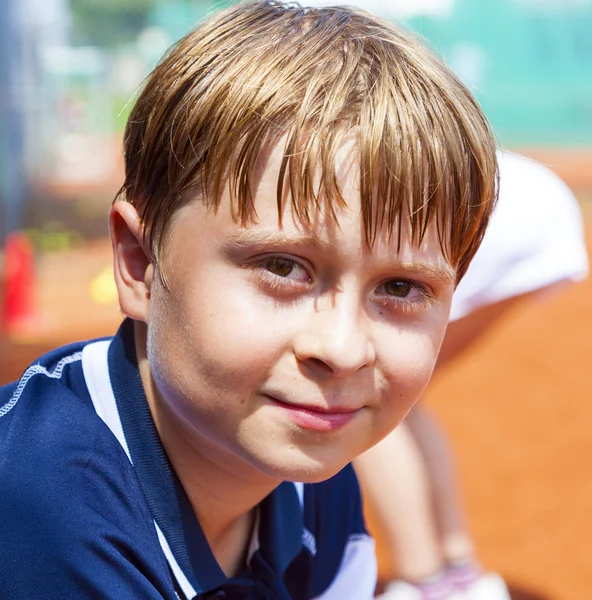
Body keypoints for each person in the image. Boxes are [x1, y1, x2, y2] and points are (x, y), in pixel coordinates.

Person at [0, 2, 499, 598]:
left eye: (400, 288)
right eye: (282, 267)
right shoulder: (37, 510)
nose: (340, 349)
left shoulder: (313, 477)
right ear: (140, 261)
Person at [356, 150, 589, 600]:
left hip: (494, 215)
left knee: (366, 394)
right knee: (397, 399)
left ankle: (424, 582)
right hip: (529, 204)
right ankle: (457, 576)